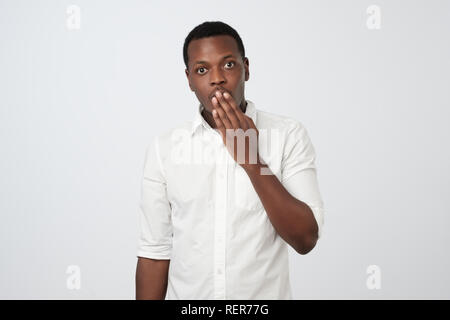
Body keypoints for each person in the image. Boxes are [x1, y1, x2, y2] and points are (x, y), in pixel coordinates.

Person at [135, 21, 325, 300]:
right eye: (202, 70)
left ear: (246, 68)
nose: (217, 79)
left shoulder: (288, 135)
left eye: (228, 65)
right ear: (189, 79)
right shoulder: (165, 148)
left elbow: (305, 238)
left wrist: (251, 159)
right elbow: (154, 254)